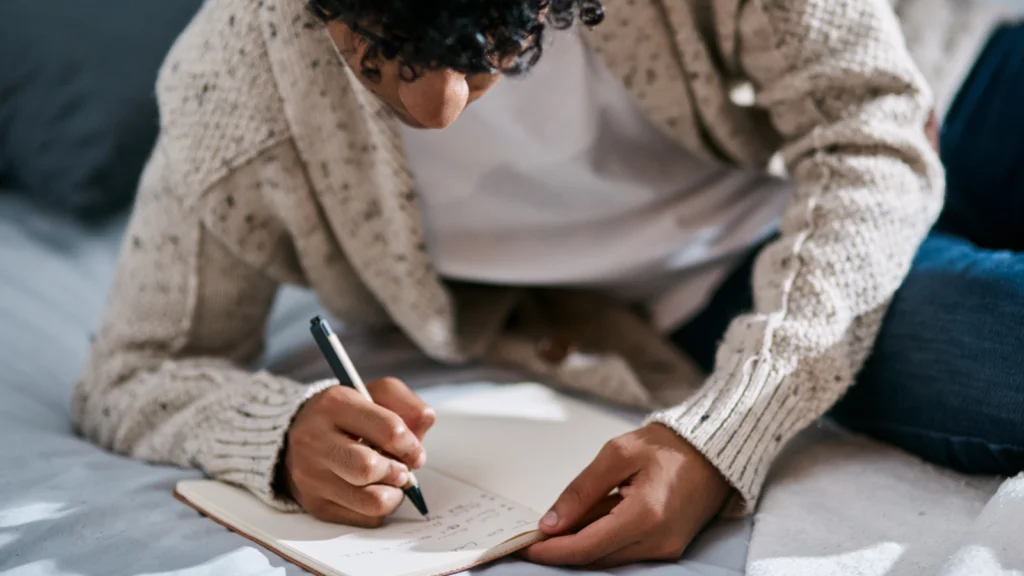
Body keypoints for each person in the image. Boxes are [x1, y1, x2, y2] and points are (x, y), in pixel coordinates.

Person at [72, 0, 1022, 567]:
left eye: (490, 40)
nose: (435, 106)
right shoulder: (231, 91)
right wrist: (277, 436)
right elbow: (133, 369)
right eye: (373, 53)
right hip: (727, 279)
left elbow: (868, 129)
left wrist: (727, 432)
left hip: (933, 99)